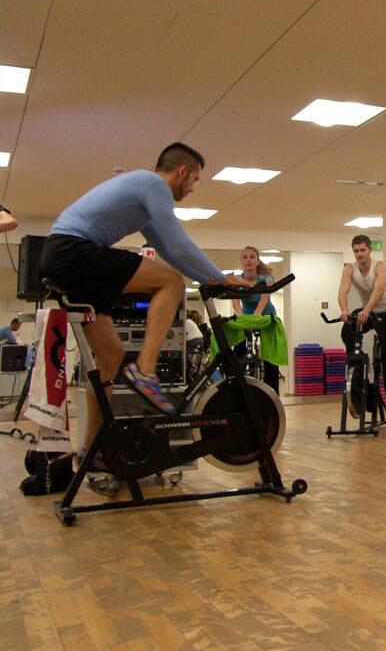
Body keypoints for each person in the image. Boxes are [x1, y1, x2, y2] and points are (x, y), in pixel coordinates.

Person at [37, 142, 247, 450]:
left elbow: (166, 249)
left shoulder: (144, 197)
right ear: (182, 171)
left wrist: (207, 280)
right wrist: (221, 275)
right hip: (72, 250)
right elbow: (180, 243)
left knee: (110, 358)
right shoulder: (152, 184)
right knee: (172, 283)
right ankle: (145, 371)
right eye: (195, 179)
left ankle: (91, 450)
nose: (193, 188)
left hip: (62, 258)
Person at [338, 234, 386, 411]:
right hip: (366, 311)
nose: (359, 254)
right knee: (347, 330)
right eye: (356, 251)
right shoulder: (350, 269)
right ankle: (357, 370)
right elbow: (342, 291)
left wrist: (366, 310)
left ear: (370, 250)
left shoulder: (380, 266)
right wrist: (344, 310)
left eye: (363, 250)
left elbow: (379, 289)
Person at [230, 246, 281, 394]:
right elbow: (235, 301)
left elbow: (265, 298)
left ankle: (272, 393)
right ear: (242, 261)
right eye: (245, 257)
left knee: (270, 356)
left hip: (265, 315)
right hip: (246, 315)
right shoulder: (238, 279)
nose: (248, 260)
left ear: (258, 261)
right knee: (239, 349)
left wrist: (257, 314)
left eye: (252, 257)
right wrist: (240, 315)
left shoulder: (266, 278)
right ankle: (236, 387)